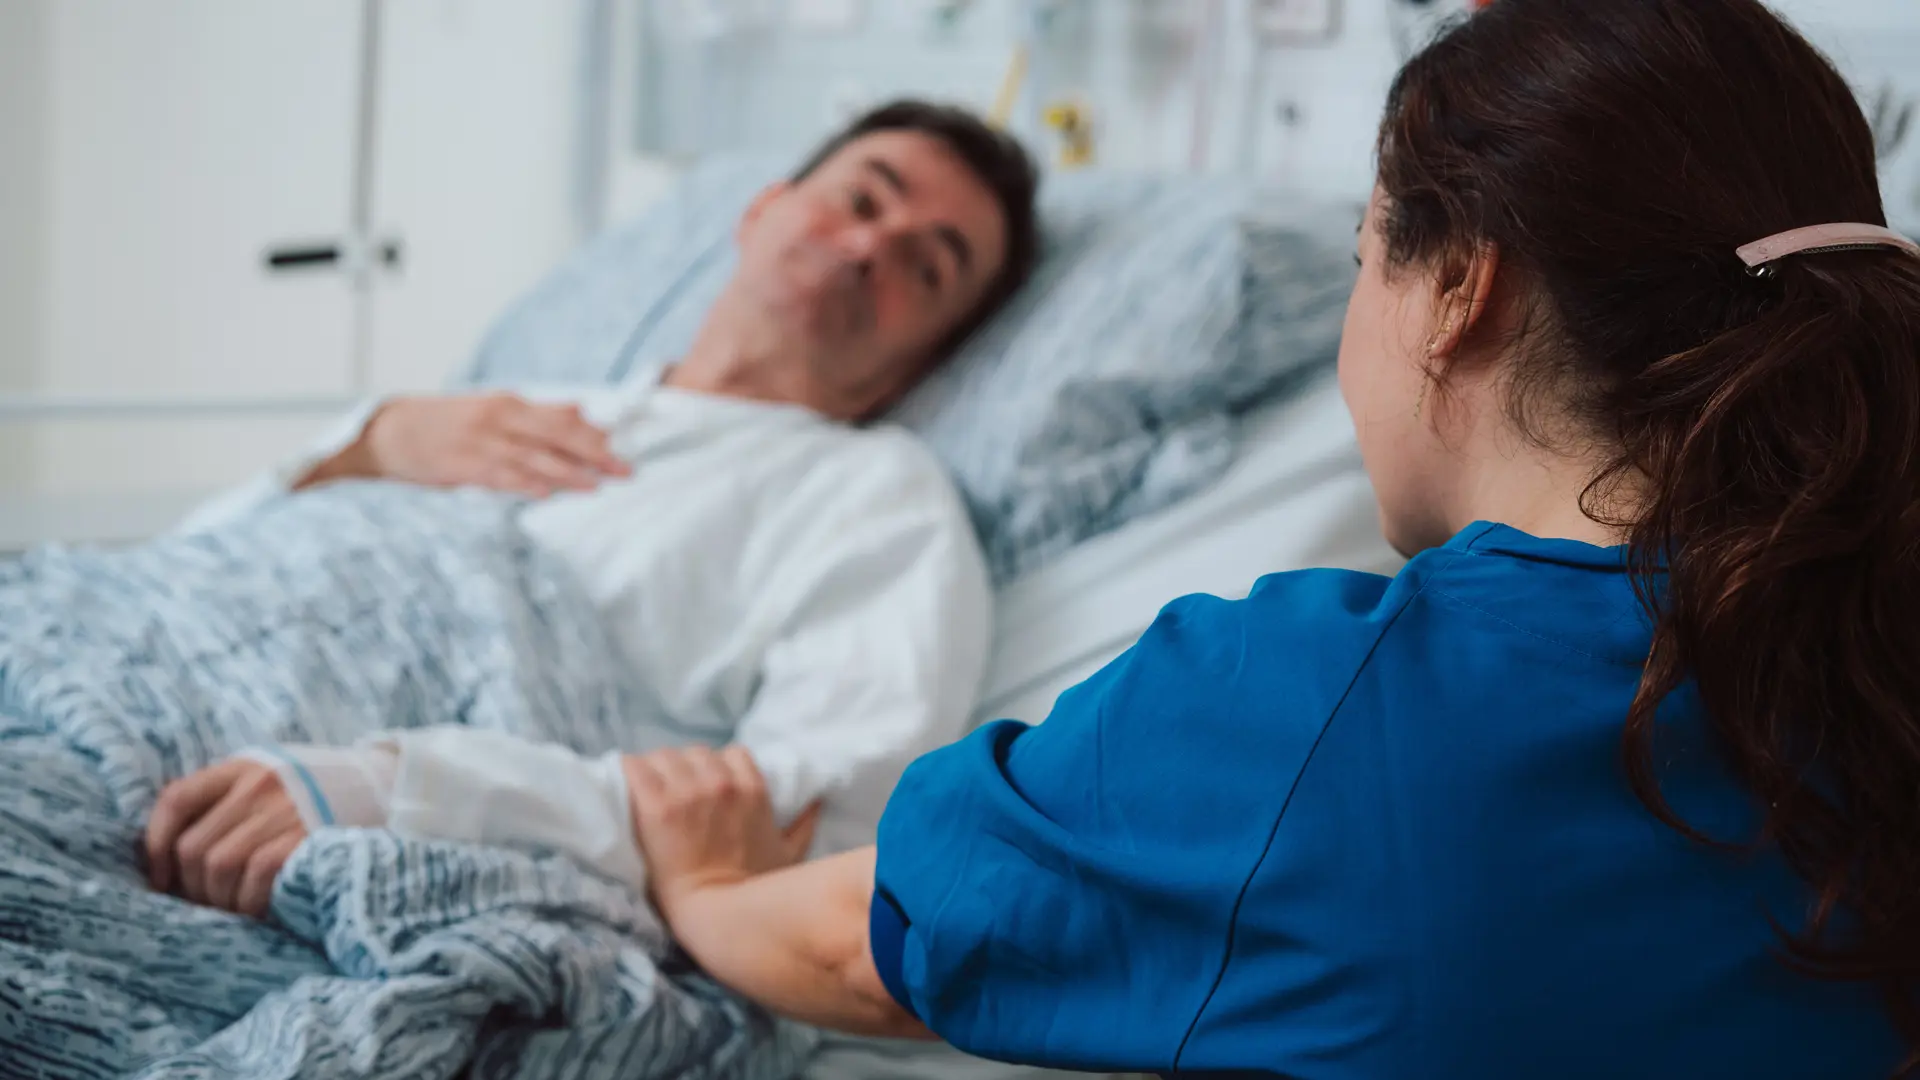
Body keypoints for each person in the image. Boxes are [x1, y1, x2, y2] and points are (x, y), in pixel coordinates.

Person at [416, 2, 1920, 1077]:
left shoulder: (1303, 704)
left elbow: (858, 952)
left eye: (1360, 261)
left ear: (1459, 286)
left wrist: (696, 886)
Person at [141, 99, 1041, 919]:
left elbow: (809, 819)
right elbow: (181, 564)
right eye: (861, 199)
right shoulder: (495, 409)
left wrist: (393, 792)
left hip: (246, 817)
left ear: (922, 363)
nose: (866, 247)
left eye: (924, 267)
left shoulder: (879, 501)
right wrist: (369, 448)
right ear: (760, 209)